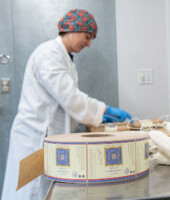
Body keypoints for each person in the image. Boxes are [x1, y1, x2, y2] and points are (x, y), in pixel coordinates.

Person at [1, 9, 132, 200]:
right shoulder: (48, 54)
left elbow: (63, 103)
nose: (88, 44)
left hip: (47, 137)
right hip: (34, 138)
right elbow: (70, 98)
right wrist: (104, 110)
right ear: (71, 30)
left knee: (43, 191)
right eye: (87, 37)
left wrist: (96, 115)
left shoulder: (66, 59)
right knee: (28, 192)